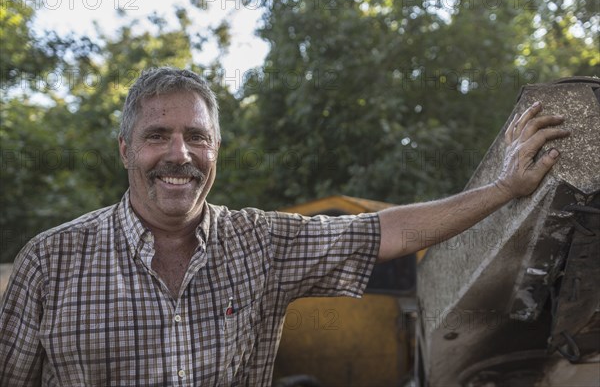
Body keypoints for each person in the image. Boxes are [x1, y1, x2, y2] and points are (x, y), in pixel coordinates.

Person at [0, 67, 569, 386]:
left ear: (216, 149)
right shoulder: (50, 262)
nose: (180, 154)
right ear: (125, 150)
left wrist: (505, 189)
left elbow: (389, 232)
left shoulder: (262, 243)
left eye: (197, 137)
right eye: (157, 136)